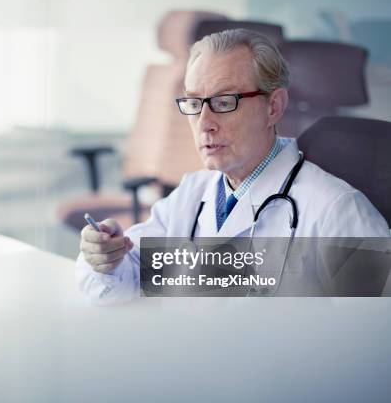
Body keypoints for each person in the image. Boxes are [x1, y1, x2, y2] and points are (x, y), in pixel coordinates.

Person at [76, 29, 390, 304]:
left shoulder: (336, 211)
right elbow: (121, 284)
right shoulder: (193, 195)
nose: (204, 123)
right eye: (194, 103)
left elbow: (377, 338)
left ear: (274, 107)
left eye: (225, 102)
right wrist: (106, 258)